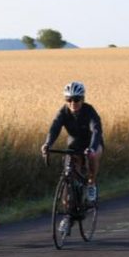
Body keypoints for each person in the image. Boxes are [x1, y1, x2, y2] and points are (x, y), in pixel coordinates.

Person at [41, 81, 104, 235]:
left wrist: (92, 148)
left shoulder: (89, 111)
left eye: (76, 99)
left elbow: (96, 130)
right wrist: (47, 144)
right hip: (74, 146)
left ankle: (91, 184)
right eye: (69, 100)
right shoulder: (63, 112)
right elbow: (54, 128)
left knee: (93, 156)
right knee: (68, 175)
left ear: (82, 99)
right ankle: (68, 215)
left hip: (91, 143)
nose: (72, 103)